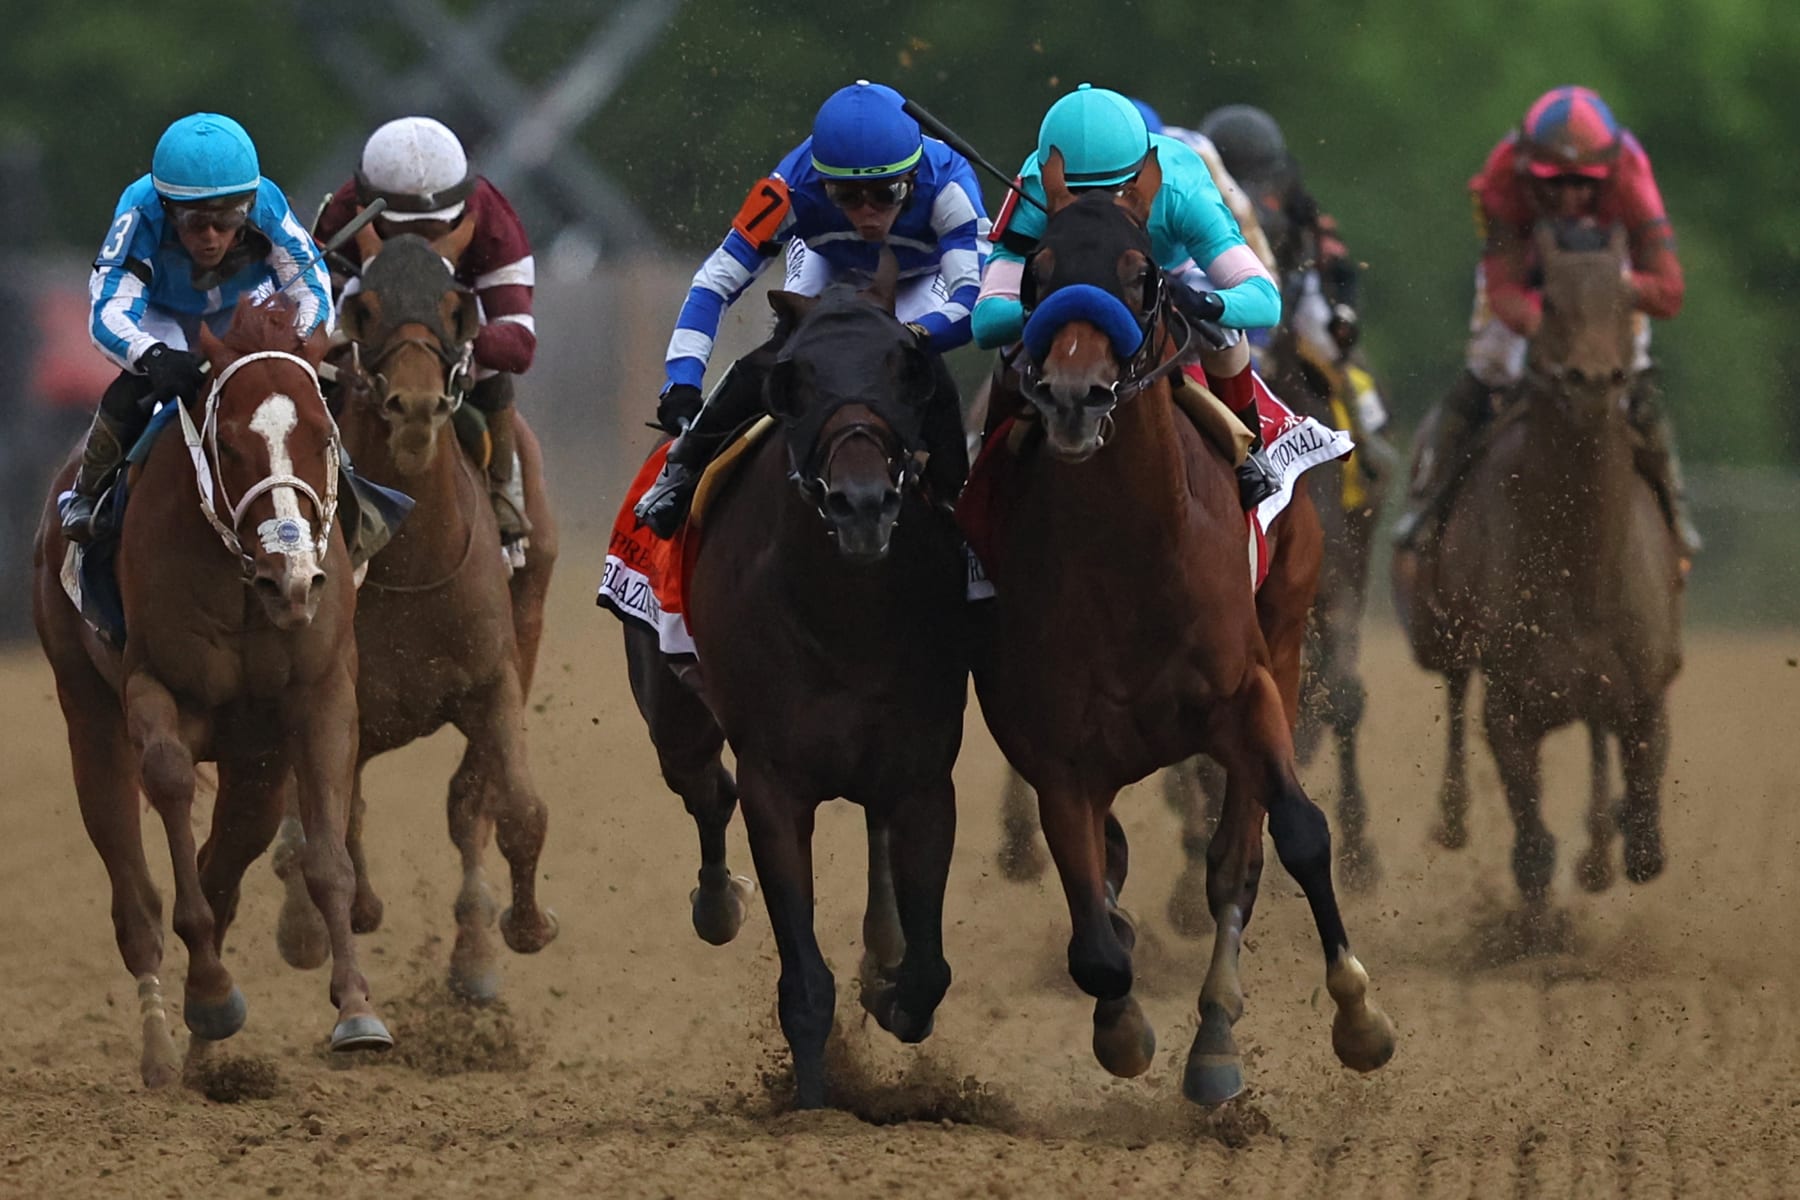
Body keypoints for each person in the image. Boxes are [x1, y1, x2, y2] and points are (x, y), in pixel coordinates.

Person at [633, 80, 988, 537]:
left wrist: (913, 336)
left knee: (916, 362)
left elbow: (971, 300)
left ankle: (956, 501)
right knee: (785, 353)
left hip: (921, 272)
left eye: (886, 194)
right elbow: (713, 284)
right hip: (828, 260)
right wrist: (681, 380)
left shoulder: (950, 187)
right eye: (845, 197)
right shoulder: (788, 189)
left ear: (914, 179)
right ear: (821, 184)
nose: (867, 214)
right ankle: (681, 467)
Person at [1392, 85, 1695, 554]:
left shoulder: (1633, 175)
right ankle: (1427, 503)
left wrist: (1606, 298)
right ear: (1528, 171)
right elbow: (1502, 283)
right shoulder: (1503, 174)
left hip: (1608, 289)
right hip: (1534, 287)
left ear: (1609, 174)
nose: (1570, 195)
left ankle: (1675, 514)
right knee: (1487, 369)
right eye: (1554, 182)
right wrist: (1552, 327)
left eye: (1585, 183)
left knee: (1634, 381)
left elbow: (1669, 291)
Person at [971, 83, 1283, 509]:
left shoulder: (1182, 185)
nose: (1095, 214)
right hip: (1069, 279)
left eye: (1114, 192)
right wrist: (1051, 307)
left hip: (1165, 274)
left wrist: (1203, 303)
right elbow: (987, 322)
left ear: (1142, 179)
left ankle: (1251, 457)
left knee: (1226, 335)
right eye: (1077, 196)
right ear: (1053, 178)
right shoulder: (1034, 186)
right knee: (1010, 349)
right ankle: (988, 464)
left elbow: (1265, 299)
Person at [61, 113, 332, 543]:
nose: (210, 236)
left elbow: (313, 288)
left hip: (240, 310)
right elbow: (108, 311)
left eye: (227, 219)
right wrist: (152, 356)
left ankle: (352, 484)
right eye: (193, 221)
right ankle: (87, 493)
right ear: (166, 208)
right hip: (161, 315)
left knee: (320, 385)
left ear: (248, 204)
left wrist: (295, 346)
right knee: (139, 386)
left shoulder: (267, 202)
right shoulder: (139, 214)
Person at [313, 116, 539, 561]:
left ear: (459, 215)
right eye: (404, 232)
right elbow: (316, 318)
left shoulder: (493, 221)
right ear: (368, 211)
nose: (420, 247)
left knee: (494, 364)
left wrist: (450, 343)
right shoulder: (342, 214)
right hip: (374, 316)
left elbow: (518, 345)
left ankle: (503, 491)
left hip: (453, 324)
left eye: (433, 233)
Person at [1197, 104, 1395, 466]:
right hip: (1221, 295)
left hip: (1289, 297)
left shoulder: (1294, 203)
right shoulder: (1197, 198)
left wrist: (1344, 312)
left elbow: (1336, 263)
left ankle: (1364, 440)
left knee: (1332, 353)